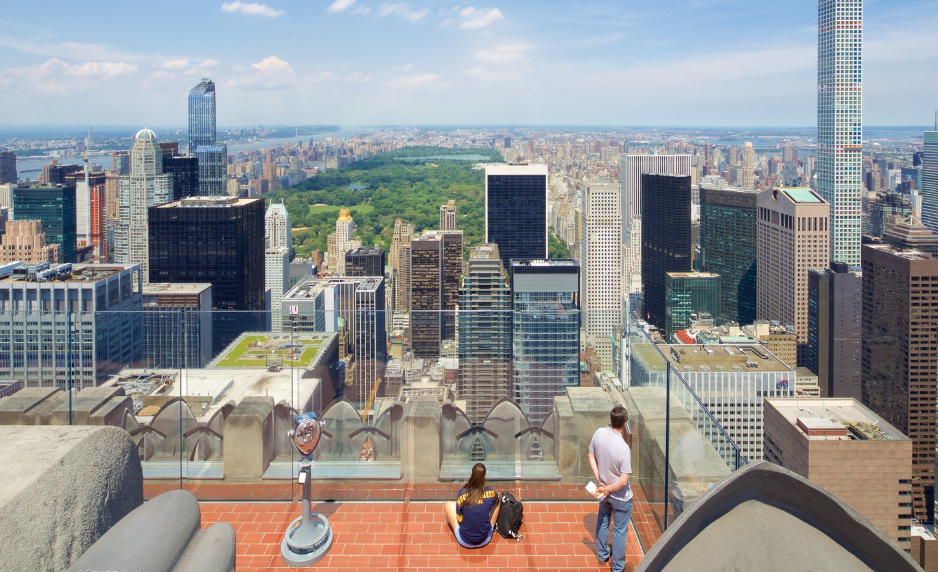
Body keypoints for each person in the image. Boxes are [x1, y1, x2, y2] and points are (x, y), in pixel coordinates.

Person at [589, 405, 633, 572]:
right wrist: (609, 488)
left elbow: (591, 456)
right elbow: (623, 481)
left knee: (603, 520)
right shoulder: (623, 448)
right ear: (624, 424)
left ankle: (602, 555)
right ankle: (618, 567)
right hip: (620, 496)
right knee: (620, 531)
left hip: (602, 490)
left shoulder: (599, 433)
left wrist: (600, 479)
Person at [443, 462, 500, 548]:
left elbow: (459, 518)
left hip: (464, 540)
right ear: (484, 477)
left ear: (471, 474)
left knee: (448, 504)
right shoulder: (491, 492)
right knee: (498, 501)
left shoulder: (462, 493)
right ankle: (493, 524)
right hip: (485, 539)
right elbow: (497, 497)